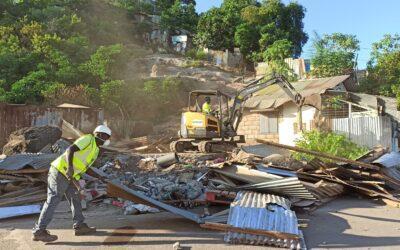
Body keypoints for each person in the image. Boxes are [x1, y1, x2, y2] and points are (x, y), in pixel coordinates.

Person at [32, 125, 112, 242]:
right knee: (54, 199)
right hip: (60, 171)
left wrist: (100, 177)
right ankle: (39, 231)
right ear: (98, 134)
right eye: (106, 136)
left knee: (76, 198)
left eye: (108, 137)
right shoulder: (88, 139)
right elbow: (70, 149)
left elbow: (86, 168)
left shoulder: (95, 150)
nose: (107, 140)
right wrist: (69, 167)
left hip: (70, 176)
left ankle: (79, 225)